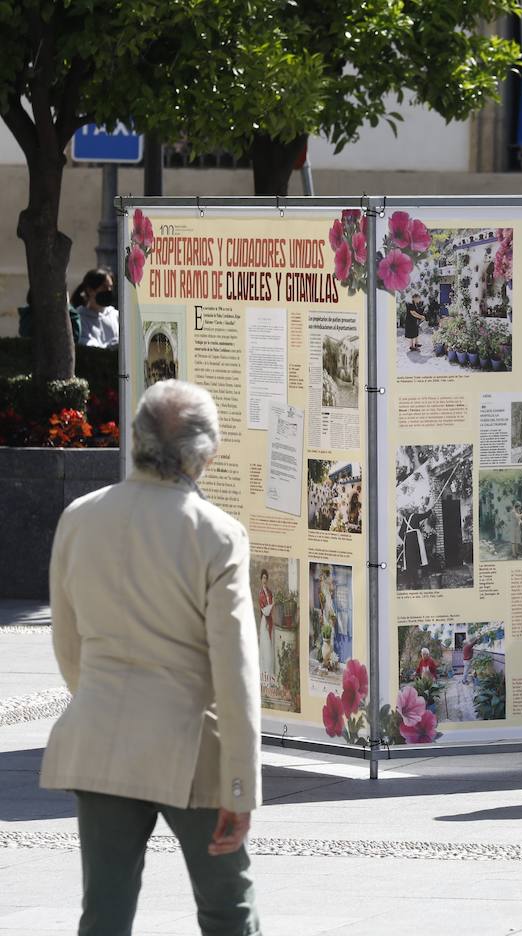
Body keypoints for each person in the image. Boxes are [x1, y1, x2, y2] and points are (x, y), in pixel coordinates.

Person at [40, 380, 261, 933]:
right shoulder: (217, 534)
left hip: (101, 736)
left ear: (136, 440)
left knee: (105, 915)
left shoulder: (80, 517)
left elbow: (68, 644)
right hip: (191, 746)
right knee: (227, 909)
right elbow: (234, 674)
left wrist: (101, 698)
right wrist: (240, 786)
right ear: (204, 453)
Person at [70, 267, 120, 348]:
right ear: (90, 290)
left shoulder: (116, 315)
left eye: (110, 287)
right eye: (104, 287)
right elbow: (87, 344)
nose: (109, 291)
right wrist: (111, 347)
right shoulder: (80, 319)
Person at [257, 569, 276, 686]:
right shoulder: (261, 594)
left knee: (271, 648)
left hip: (271, 622)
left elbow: (272, 610)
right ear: (261, 579)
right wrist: (272, 604)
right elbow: (265, 611)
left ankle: (271, 677)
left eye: (266, 578)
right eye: (263, 578)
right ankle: (265, 678)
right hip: (265, 623)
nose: (264, 580)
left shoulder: (269, 592)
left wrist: (273, 605)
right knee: (266, 649)